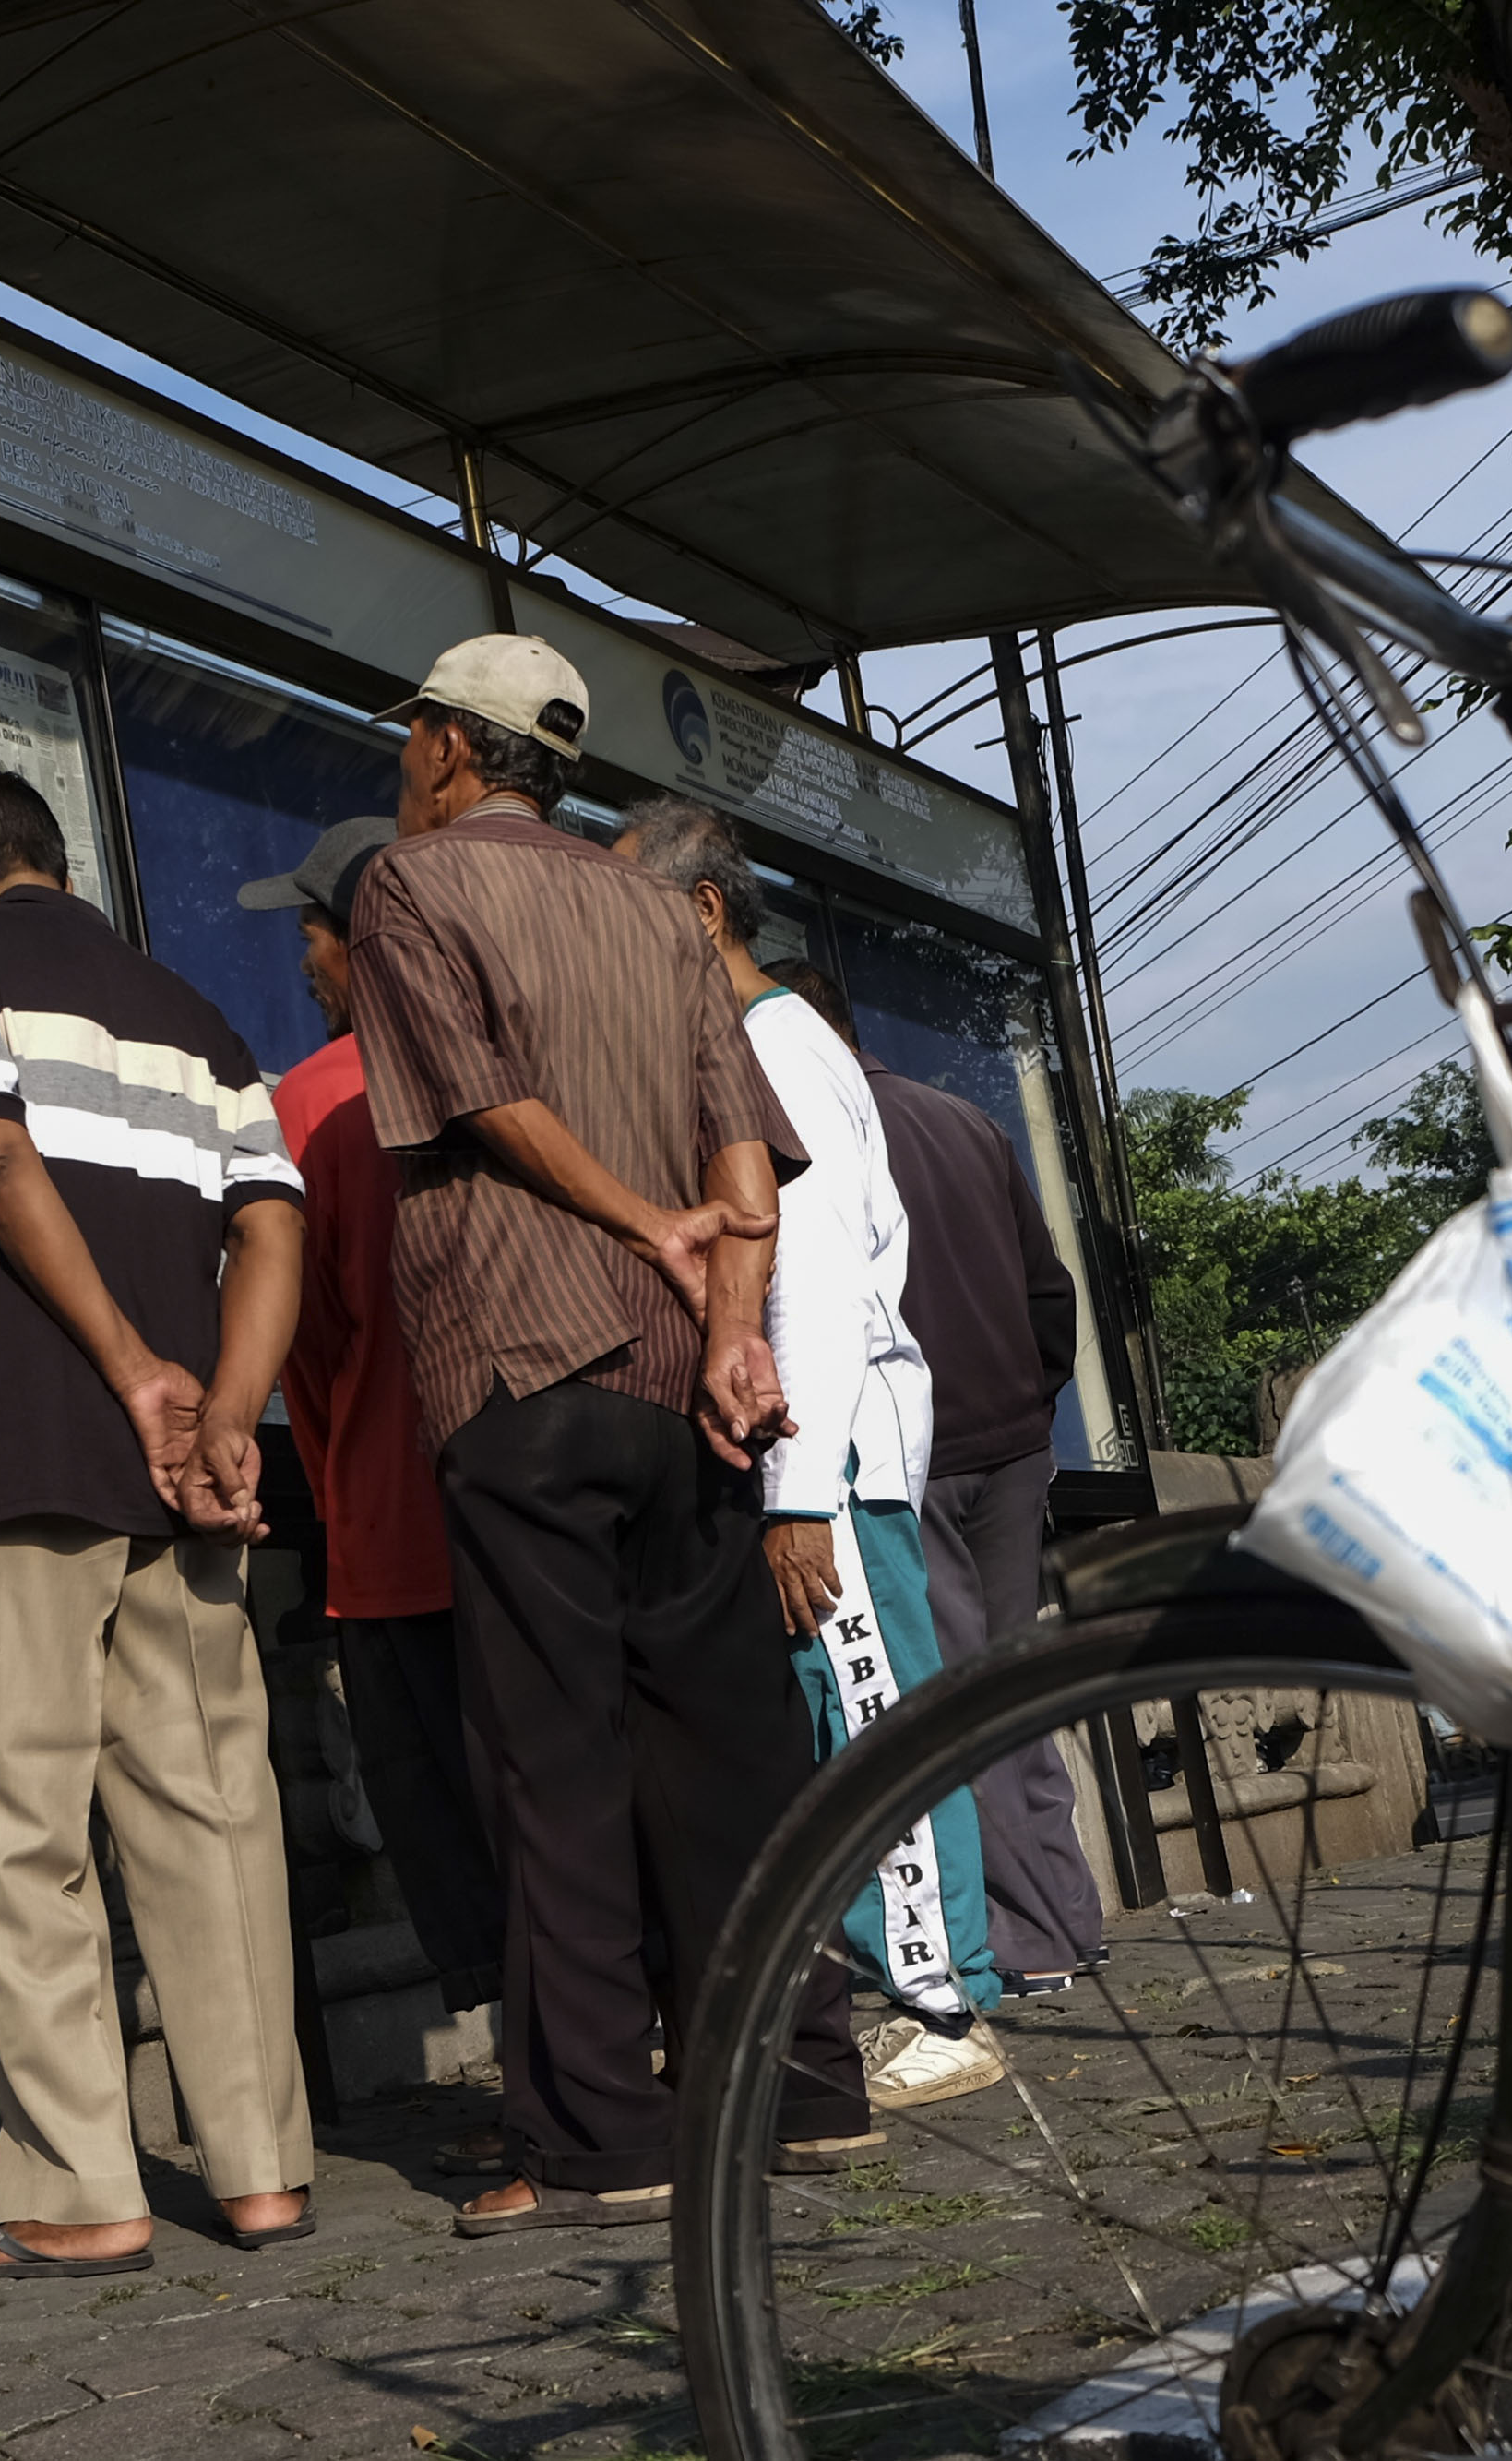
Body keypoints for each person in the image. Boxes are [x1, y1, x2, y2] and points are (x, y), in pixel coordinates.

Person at [345, 636, 870, 2235]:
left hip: (521, 1360)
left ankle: (598, 2137)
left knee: (552, 1761)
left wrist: (639, 1222)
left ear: (451, 747)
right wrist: (729, 1331)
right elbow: (747, 1161)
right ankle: (801, 2088)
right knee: (729, 1752)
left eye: (415, 737)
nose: (407, 762)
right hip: (678, 1385)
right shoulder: (655, 908)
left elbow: (478, 1097)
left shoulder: (409, 884)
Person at [0, 764, 315, 2282]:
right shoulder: (200, 1021)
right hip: (181, 1487)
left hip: (14, 1455)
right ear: (55, 862)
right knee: (212, 1821)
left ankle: (81, 2190)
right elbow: (273, 1226)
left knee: (19, 1824)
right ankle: (260, 2172)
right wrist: (224, 1413)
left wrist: (133, 1372)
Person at [617, 803, 1006, 2118]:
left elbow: (820, 1286)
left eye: (633, 909)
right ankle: (916, 1989)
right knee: (848, 1712)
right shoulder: (761, 1045)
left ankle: (941, 2004)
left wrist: (798, 1498)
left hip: (827, 1453)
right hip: (813, 1450)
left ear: (704, 910)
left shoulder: (778, 1047)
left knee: (871, 1713)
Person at [769, 957, 1106, 1993]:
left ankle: (1027, 1939)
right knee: (1006, 1688)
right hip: (1011, 1445)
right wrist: (1030, 1406)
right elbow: (1050, 1294)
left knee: (951, 1698)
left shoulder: (817, 1132)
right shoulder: (967, 1122)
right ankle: (1067, 1916)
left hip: (910, 1455)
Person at [239, 817, 508, 2025]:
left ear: (362, 939)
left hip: (395, 1527)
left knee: (450, 1819)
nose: (305, 954)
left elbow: (306, 1339)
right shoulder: (513, 1067)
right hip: (539, 1511)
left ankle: (541, 2076)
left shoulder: (310, 1100)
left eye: (314, 928)